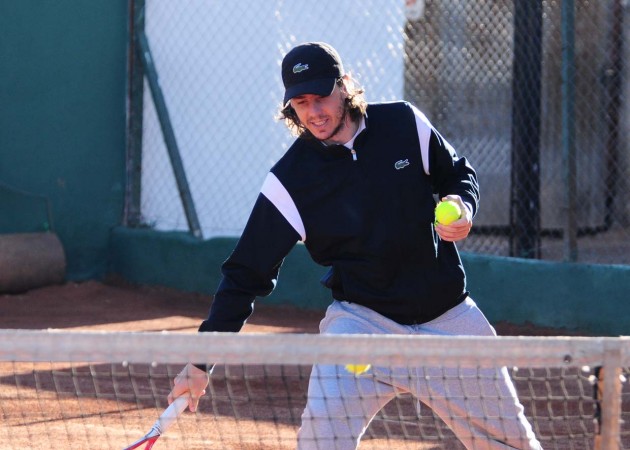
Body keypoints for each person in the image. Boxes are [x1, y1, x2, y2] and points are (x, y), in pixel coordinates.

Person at [167, 42, 542, 450]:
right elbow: (245, 275)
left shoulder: (403, 124)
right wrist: (199, 361)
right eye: (301, 102)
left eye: (321, 96)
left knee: (512, 446)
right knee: (320, 442)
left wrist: (460, 203)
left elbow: (457, 173)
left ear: (344, 86)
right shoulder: (290, 181)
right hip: (361, 326)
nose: (313, 112)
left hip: (448, 319)